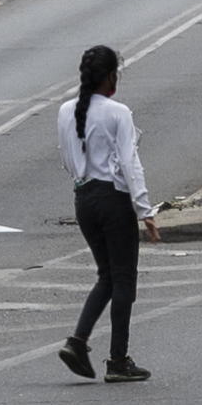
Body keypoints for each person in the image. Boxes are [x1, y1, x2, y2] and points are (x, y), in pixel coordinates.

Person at [55, 42, 154, 383]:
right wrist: (145, 209)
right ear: (111, 76)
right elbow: (129, 163)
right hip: (113, 200)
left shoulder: (66, 110)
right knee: (123, 278)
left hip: (83, 200)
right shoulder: (118, 112)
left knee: (107, 276)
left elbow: (67, 158)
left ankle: (78, 341)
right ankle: (118, 360)